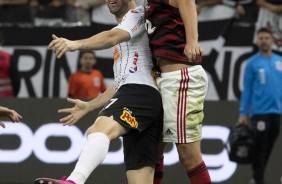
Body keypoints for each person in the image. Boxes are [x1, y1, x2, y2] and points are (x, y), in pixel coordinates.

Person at [34, 0, 162, 183]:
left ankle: (74, 180)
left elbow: (111, 37)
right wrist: (89, 106)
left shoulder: (139, 15)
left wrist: (74, 44)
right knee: (139, 178)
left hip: (139, 93)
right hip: (146, 101)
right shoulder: (128, 30)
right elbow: (121, 82)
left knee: (98, 130)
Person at [144, 0, 211, 184]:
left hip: (181, 78)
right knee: (152, 151)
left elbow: (187, 1)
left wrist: (192, 41)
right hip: (163, 79)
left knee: (187, 154)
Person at [238, 27, 282, 184]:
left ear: (272, 41)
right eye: (261, 38)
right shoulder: (252, 63)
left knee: (268, 146)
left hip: (276, 111)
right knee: (261, 146)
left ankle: (256, 177)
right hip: (259, 112)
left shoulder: (280, 61)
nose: (264, 40)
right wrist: (243, 113)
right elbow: (247, 90)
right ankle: (258, 179)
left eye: (267, 38)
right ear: (257, 41)